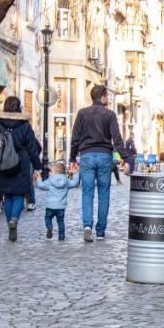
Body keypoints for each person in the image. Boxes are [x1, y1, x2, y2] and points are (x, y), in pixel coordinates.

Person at [69, 84, 126, 242]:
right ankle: (100, 231)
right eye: (106, 95)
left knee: (87, 192)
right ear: (101, 96)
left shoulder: (82, 113)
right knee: (103, 193)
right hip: (104, 156)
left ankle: (87, 225)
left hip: (86, 156)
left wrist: (72, 158)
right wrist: (125, 158)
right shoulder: (110, 114)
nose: (107, 98)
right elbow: (117, 138)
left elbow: (75, 138)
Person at [0, 96, 42, 242]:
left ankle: (10, 225)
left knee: (7, 196)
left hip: (2, 164)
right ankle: (14, 219)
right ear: (18, 107)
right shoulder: (25, 126)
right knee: (19, 195)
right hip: (21, 163)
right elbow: (32, 148)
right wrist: (38, 166)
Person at [35, 161, 80, 241]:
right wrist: (76, 173)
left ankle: (49, 227)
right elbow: (75, 183)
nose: (49, 173)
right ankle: (61, 236)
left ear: (54, 172)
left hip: (50, 206)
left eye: (51, 171)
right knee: (60, 221)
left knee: (47, 218)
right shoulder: (66, 181)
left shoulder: (49, 181)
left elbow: (40, 186)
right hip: (61, 207)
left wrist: (39, 179)